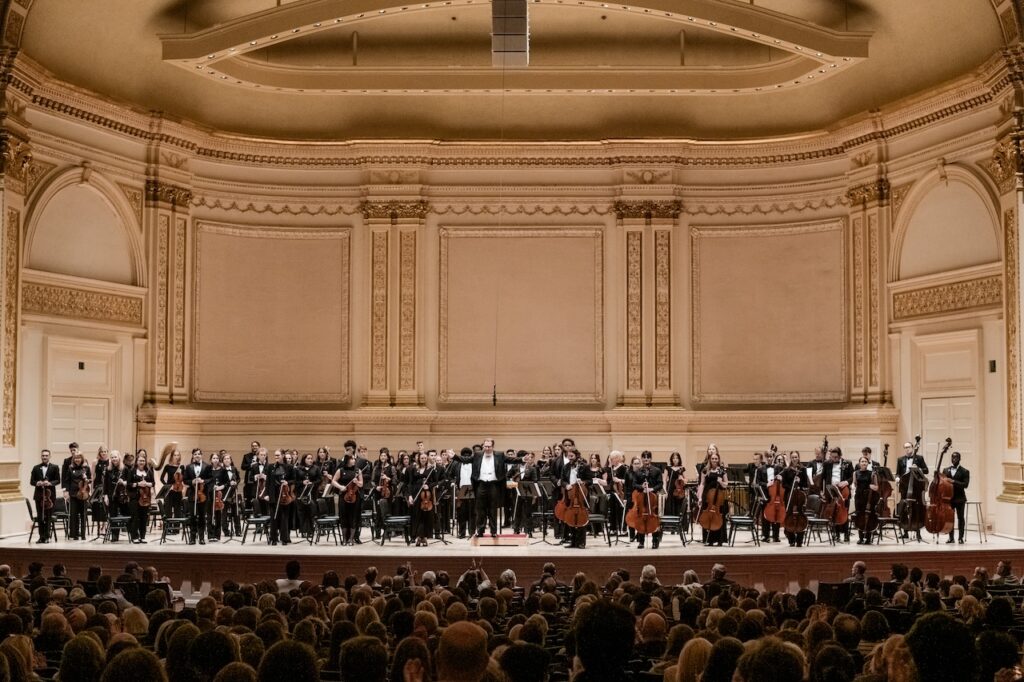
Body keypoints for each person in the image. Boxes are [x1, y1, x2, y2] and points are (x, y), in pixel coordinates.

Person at [471, 438, 506, 538]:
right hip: (481, 484)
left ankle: (493, 531)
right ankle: (480, 531)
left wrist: (521, 459)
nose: (487, 448)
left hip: (493, 484)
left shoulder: (499, 455)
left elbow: (510, 459)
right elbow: (466, 459)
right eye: (485, 446)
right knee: (480, 509)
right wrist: (454, 456)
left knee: (492, 509)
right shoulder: (477, 455)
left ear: (493, 446)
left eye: (489, 446)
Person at [560, 448, 593, 549]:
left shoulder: (584, 466)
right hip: (569, 494)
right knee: (569, 518)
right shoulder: (565, 467)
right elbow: (562, 480)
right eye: (568, 457)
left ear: (577, 456)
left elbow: (590, 480)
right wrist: (566, 485)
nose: (570, 459)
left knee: (581, 519)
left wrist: (583, 482)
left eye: (572, 456)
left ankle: (581, 542)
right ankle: (573, 542)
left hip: (581, 495)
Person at [896, 440, 929, 541]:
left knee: (917, 508)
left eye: (909, 447)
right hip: (905, 486)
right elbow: (898, 473)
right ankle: (905, 531)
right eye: (905, 447)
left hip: (917, 486)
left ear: (912, 448)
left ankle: (918, 531)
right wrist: (897, 478)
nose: (907, 449)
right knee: (904, 507)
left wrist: (918, 468)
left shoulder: (919, 458)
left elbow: (926, 470)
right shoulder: (900, 459)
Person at [697, 444, 729, 546]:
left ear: (718, 459)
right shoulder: (705, 470)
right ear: (710, 459)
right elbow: (701, 484)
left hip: (719, 498)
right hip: (708, 497)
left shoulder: (722, 470)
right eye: (713, 458)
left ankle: (720, 539)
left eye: (716, 458)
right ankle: (708, 539)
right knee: (708, 517)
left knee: (719, 517)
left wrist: (720, 482)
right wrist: (700, 497)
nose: (714, 460)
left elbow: (726, 484)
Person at [406, 450, 439, 546]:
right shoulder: (413, 469)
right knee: (417, 516)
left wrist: (428, 485)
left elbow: (436, 482)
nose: (423, 460)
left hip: (426, 495)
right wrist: (410, 496)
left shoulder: (431, 469)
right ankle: (418, 537)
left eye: (425, 458)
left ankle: (424, 537)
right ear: (418, 459)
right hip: (416, 494)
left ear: (427, 458)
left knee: (426, 517)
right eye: (422, 458)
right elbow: (410, 483)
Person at [821, 447, 853, 543]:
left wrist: (846, 482)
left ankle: (846, 535)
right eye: (832, 457)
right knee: (833, 512)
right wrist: (821, 491)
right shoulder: (827, 463)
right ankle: (836, 534)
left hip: (844, 490)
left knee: (844, 512)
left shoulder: (848, 463)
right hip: (831, 490)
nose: (834, 459)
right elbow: (822, 478)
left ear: (840, 456)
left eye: (836, 457)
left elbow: (852, 477)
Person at [632, 450, 662, 549]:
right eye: (644, 458)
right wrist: (642, 487)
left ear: (650, 459)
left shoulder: (656, 470)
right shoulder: (638, 471)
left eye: (648, 457)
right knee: (641, 518)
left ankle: (655, 541)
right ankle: (641, 541)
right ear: (642, 459)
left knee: (654, 518)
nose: (646, 459)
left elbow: (660, 484)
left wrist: (652, 489)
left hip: (653, 497)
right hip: (642, 497)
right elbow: (634, 484)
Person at [332, 452, 364, 545]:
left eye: (354, 459)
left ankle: (351, 539)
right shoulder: (340, 470)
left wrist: (357, 482)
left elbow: (361, 484)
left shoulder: (358, 471)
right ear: (347, 460)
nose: (354, 460)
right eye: (352, 459)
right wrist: (340, 487)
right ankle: (344, 539)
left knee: (353, 517)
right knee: (344, 517)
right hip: (343, 496)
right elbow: (333, 481)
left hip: (355, 496)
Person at [29, 449, 60, 543]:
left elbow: (58, 480)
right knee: (40, 516)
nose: (44, 457)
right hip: (39, 496)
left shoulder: (55, 467)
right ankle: (41, 537)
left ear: (49, 456)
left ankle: (47, 537)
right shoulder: (35, 468)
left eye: (46, 455)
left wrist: (50, 483)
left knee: (48, 516)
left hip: (50, 497)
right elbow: (31, 481)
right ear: (41, 456)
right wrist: (37, 483)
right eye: (43, 455)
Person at [780, 451, 809, 547]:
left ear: (799, 458)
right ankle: (791, 539)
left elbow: (806, 484)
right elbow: (783, 484)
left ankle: (800, 539)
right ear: (790, 458)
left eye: (796, 457)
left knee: (801, 517)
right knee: (789, 517)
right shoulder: (786, 470)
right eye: (792, 457)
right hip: (789, 496)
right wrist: (792, 484)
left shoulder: (803, 469)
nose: (794, 459)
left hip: (800, 496)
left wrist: (799, 482)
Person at [755, 451, 786, 543]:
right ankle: (765, 535)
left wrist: (781, 479)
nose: (769, 458)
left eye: (771, 457)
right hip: (765, 494)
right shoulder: (761, 469)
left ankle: (776, 536)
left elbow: (783, 481)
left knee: (776, 514)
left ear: (773, 457)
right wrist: (767, 484)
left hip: (776, 494)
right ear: (765, 458)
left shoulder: (779, 468)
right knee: (765, 515)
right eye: (767, 457)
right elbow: (758, 482)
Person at [125, 452, 155, 543]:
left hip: (145, 497)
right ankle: (134, 537)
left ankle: (142, 536)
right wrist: (138, 484)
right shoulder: (132, 471)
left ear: (145, 462)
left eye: (143, 460)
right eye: (140, 460)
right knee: (135, 517)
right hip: (135, 498)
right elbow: (128, 484)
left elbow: (153, 483)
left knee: (143, 517)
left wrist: (147, 484)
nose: (141, 462)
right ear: (136, 461)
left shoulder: (148, 471)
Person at [62, 447, 92, 540]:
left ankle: (83, 535)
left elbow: (90, 480)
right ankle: (74, 535)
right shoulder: (70, 468)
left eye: (79, 458)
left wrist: (86, 479)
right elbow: (67, 480)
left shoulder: (86, 468)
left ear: (82, 458)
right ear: (73, 459)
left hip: (83, 493)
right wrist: (66, 491)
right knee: (73, 514)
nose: (77, 460)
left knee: (83, 514)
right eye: (75, 458)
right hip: (73, 493)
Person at [183, 448, 210, 545]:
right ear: (193, 456)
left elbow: (211, 479)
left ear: (201, 455)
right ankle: (192, 538)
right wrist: (192, 481)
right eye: (195, 454)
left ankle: (202, 538)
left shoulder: (207, 466)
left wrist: (203, 481)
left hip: (203, 495)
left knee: (202, 517)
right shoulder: (188, 467)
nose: (197, 455)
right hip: (192, 495)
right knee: (193, 516)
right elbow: (185, 480)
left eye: (199, 454)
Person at [267, 450, 294, 545]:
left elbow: (294, 479)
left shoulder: (289, 467)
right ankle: (273, 538)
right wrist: (267, 494)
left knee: (284, 518)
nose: (276, 457)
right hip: (273, 495)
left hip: (284, 494)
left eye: (278, 455)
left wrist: (287, 482)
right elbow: (268, 482)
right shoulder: (271, 467)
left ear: (283, 455)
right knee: (273, 518)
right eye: (275, 455)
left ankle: (284, 538)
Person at [944, 451, 969, 544]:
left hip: (960, 498)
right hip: (948, 498)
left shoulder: (965, 471)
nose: (954, 459)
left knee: (960, 518)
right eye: (952, 457)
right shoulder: (946, 470)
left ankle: (960, 537)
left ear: (959, 459)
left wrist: (953, 481)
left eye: (956, 458)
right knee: (950, 519)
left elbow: (965, 485)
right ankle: (951, 538)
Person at [852, 456, 878, 545]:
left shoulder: (872, 474)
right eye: (862, 461)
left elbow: (876, 487)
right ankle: (860, 538)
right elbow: (855, 485)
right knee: (859, 516)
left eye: (865, 461)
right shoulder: (855, 473)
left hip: (869, 498)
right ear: (859, 463)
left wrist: (872, 487)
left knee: (869, 516)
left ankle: (868, 538)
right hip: (859, 497)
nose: (864, 463)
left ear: (868, 463)